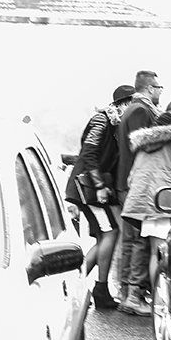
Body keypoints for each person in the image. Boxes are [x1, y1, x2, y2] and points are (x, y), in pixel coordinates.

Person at [122, 99, 171, 308]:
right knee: (162, 252)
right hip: (166, 200)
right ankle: (159, 302)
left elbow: (132, 176)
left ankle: (136, 295)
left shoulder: (145, 140)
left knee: (150, 248)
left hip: (143, 197)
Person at [64, 84, 134, 310]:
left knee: (105, 236)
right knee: (110, 233)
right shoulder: (101, 120)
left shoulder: (113, 122)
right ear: (123, 103)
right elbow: (89, 153)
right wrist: (101, 185)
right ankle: (100, 288)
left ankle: (75, 283)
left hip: (90, 187)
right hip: (89, 188)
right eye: (131, 103)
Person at [115, 70, 162, 316]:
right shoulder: (142, 111)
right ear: (150, 88)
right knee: (139, 241)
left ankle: (127, 291)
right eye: (159, 87)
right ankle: (133, 295)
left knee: (130, 239)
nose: (160, 92)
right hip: (136, 183)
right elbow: (142, 146)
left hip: (127, 181)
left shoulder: (132, 110)